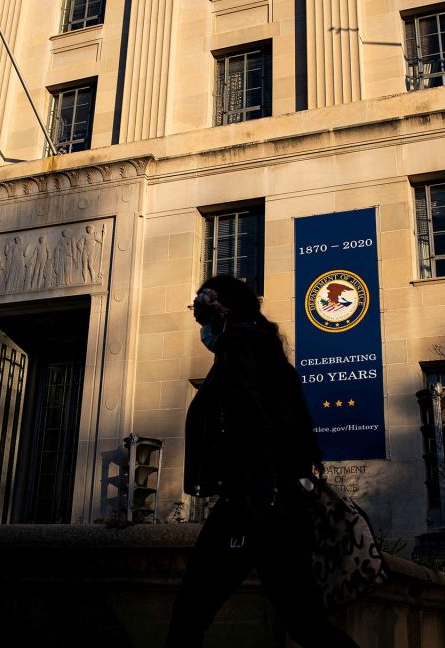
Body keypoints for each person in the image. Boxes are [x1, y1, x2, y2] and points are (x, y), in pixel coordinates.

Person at [166, 275, 358, 648]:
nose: (204, 332)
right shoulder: (264, 348)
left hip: (251, 502)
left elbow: (253, 422)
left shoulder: (237, 347)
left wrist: (255, 493)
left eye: (205, 322)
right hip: (277, 501)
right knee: (304, 622)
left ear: (220, 313)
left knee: (190, 612)